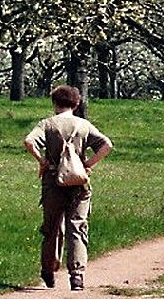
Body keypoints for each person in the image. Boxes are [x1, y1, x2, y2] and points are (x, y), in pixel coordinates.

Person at [23, 86, 114, 291]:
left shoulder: (47, 124)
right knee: (77, 227)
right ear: (76, 103)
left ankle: (49, 270)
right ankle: (77, 276)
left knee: (52, 228)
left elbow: (29, 141)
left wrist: (42, 160)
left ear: (54, 103)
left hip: (54, 179)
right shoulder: (83, 125)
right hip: (78, 183)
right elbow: (107, 145)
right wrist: (88, 165)